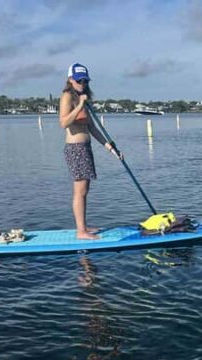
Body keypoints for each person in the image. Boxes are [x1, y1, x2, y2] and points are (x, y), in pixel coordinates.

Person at [59, 63, 122, 240]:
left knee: (85, 190)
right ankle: (81, 231)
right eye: (79, 80)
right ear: (70, 80)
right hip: (75, 149)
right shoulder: (67, 96)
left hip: (86, 148)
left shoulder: (84, 98)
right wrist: (80, 105)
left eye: (85, 81)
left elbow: (93, 128)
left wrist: (111, 149)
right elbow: (63, 122)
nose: (82, 84)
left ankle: (83, 226)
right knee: (80, 190)